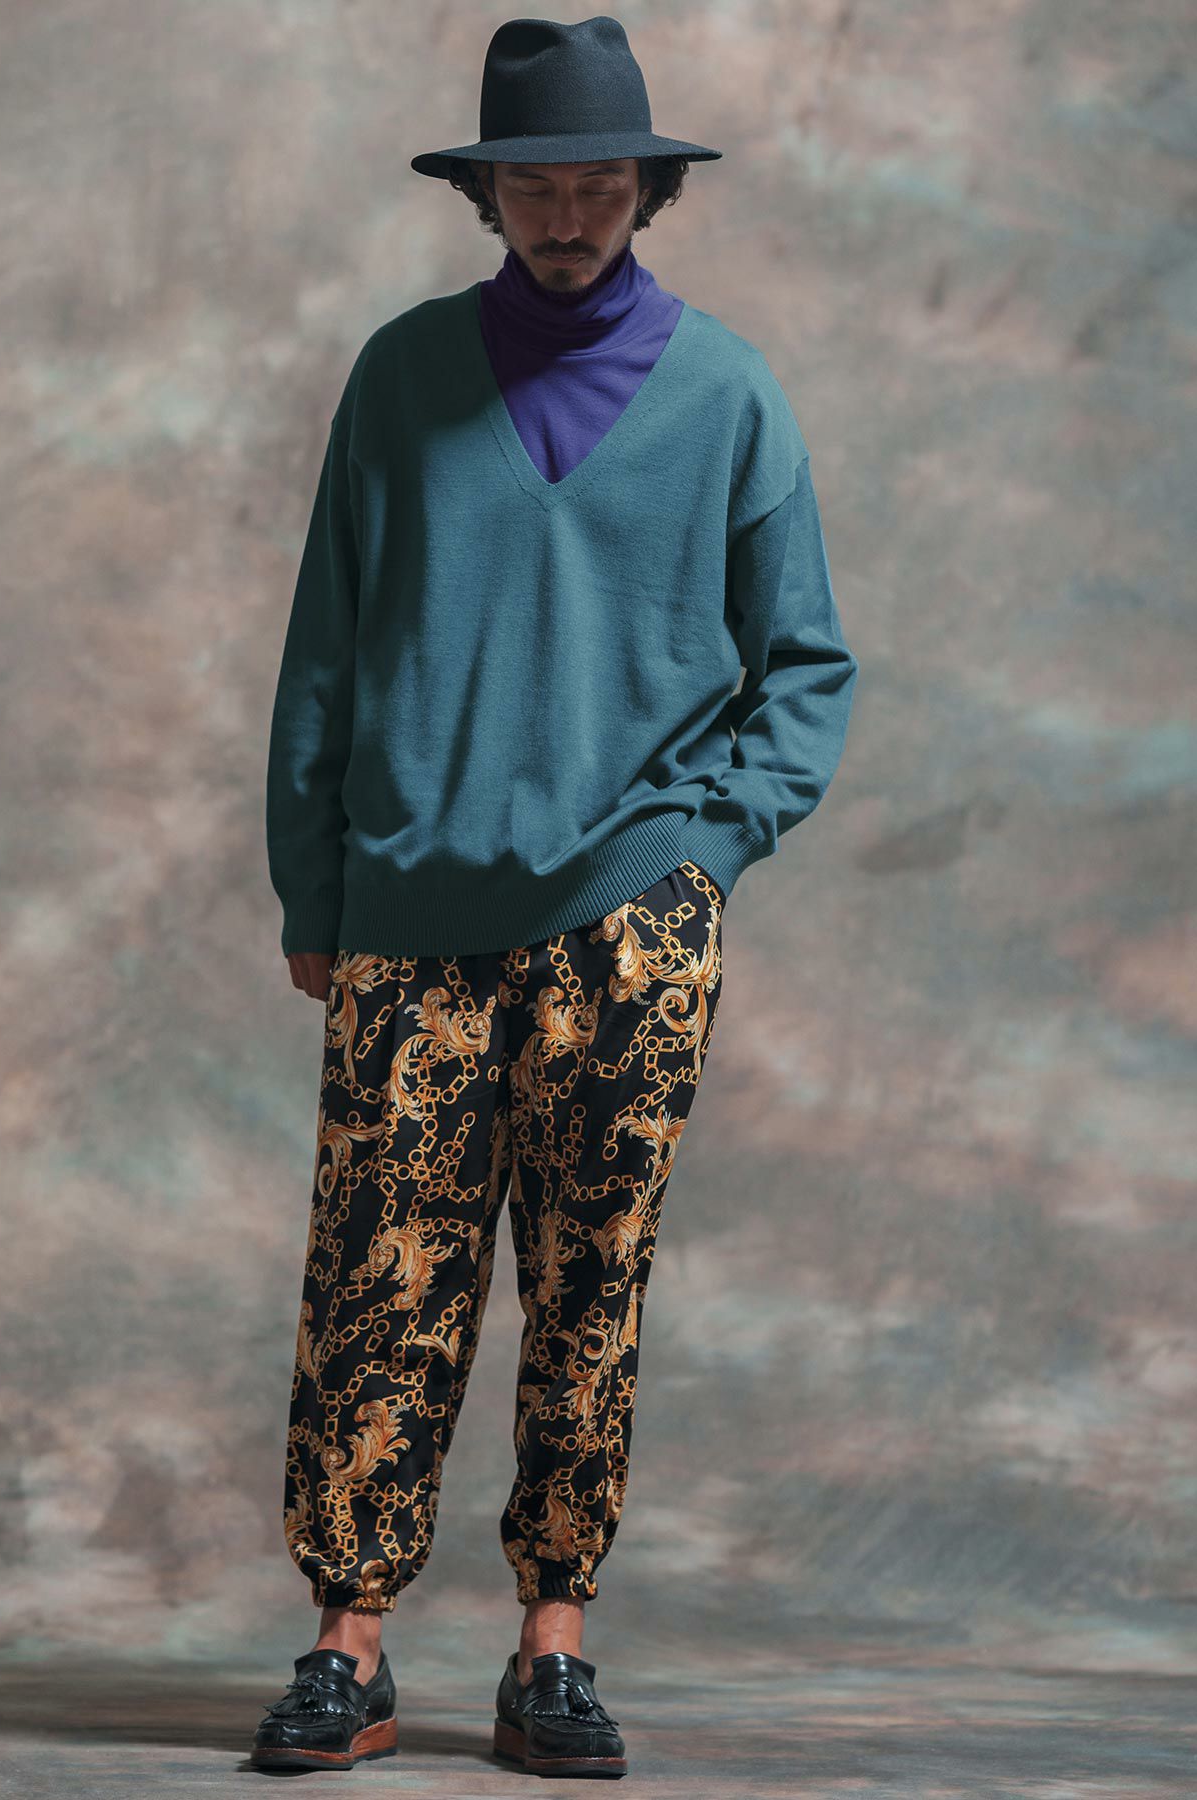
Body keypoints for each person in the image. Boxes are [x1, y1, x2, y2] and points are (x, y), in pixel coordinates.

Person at [253, 14, 859, 1778]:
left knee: (592, 1283)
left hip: (627, 919)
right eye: (537, 185)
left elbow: (806, 666)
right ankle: (349, 1649)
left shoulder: (728, 394)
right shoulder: (401, 379)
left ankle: (553, 1651)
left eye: (601, 182)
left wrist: (703, 856)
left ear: (647, 190)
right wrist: (314, 885)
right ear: (487, 197)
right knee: (379, 1282)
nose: (570, 212)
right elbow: (324, 651)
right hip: (410, 911)